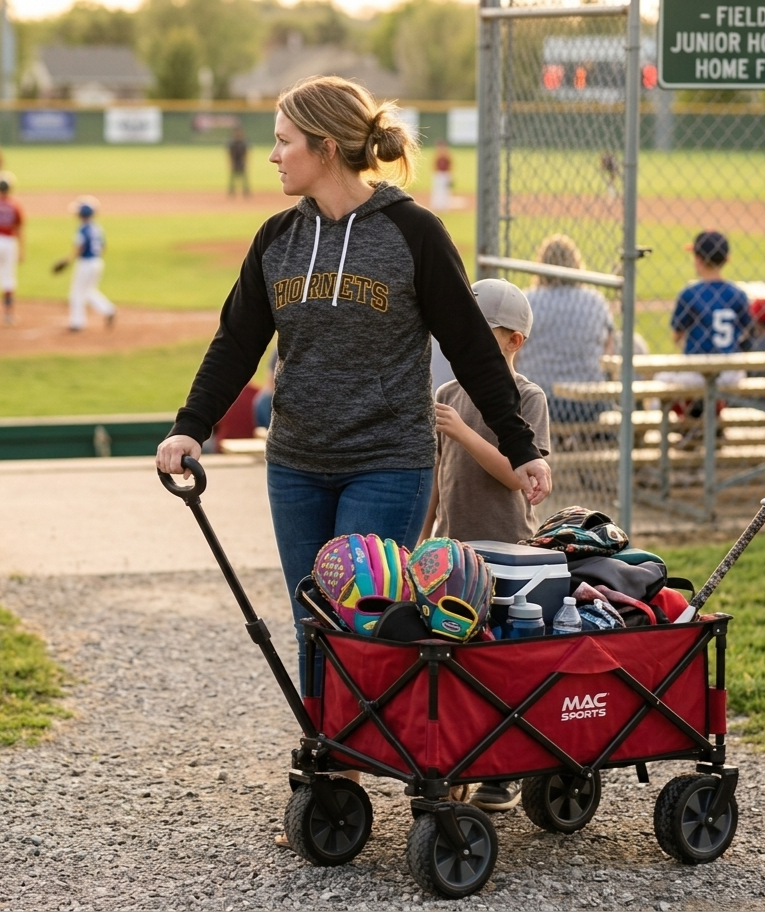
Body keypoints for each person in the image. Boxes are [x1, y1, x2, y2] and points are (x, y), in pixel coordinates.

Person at [156, 75, 551, 694]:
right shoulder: (277, 239)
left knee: (364, 620)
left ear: (326, 149)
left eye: (284, 141)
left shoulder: (414, 232)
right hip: (295, 462)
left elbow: (473, 349)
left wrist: (521, 446)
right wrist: (190, 426)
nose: (272, 155)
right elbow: (236, 343)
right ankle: (332, 764)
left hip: (389, 463)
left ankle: (362, 751)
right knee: (310, 617)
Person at [420, 277, 550, 816]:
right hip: (452, 554)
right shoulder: (447, 396)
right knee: (452, 663)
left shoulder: (526, 398)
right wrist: (421, 537)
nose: (465, 343)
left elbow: (519, 477)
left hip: (506, 552)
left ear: (514, 340)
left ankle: (507, 767)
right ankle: (457, 765)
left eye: (483, 334)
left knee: (500, 663)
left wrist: (464, 433)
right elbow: (435, 475)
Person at [515, 233, 615, 440]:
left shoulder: (529, 300)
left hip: (538, 402)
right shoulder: (594, 300)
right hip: (591, 403)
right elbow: (609, 351)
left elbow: (515, 355)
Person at [668, 230, 750, 423]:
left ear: (697, 259)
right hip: (730, 372)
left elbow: (676, 336)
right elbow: (746, 331)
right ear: (727, 259)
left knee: (662, 379)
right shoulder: (738, 294)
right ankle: (713, 420)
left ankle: (687, 427)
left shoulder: (689, 293)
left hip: (697, 371)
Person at [59, 197, 117, 332]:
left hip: (85, 263)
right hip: (97, 262)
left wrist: (67, 261)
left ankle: (77, 323)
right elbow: (103, 247)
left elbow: (79, 248)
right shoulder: (97, 228)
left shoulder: (82, 229)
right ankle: (108, 309)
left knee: (76, 293)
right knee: (88, 291)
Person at [0, 174, 24, 326]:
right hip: (9, 243)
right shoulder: (14, 205)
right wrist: (22, 250)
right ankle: (8, 315)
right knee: (8, 277)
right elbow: (19, 228)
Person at [429, 139, 452, 211]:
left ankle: (444, 206)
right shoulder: (438, 155)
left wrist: (450, 175)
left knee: (445, 190)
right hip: (438, 174)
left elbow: (450, 165)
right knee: (437, 190)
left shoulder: (446, 155)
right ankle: (437, 205)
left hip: (445, 174)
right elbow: (434, 165)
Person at [227, 127, 250, 197]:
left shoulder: (243, 143)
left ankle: (245, 191)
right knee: (232, 178)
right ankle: (232, 191)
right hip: (235, 162)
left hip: (241, 162)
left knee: (244, 178)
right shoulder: (232, 143)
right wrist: (230, 162)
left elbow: (246, 154)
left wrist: (246, 162)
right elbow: (229, 154)